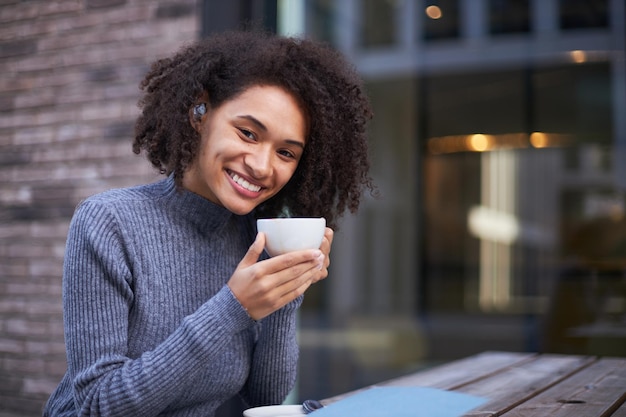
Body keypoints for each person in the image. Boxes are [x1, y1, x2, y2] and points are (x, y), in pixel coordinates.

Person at [43, 30, 373, 417]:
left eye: (286, 152)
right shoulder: (109, 222)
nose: (262, 165)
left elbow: (264, 399)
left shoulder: (255, 236)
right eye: (248, 133)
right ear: (200, 113)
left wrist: (286, 287)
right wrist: (232, 307)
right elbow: (99, 406)